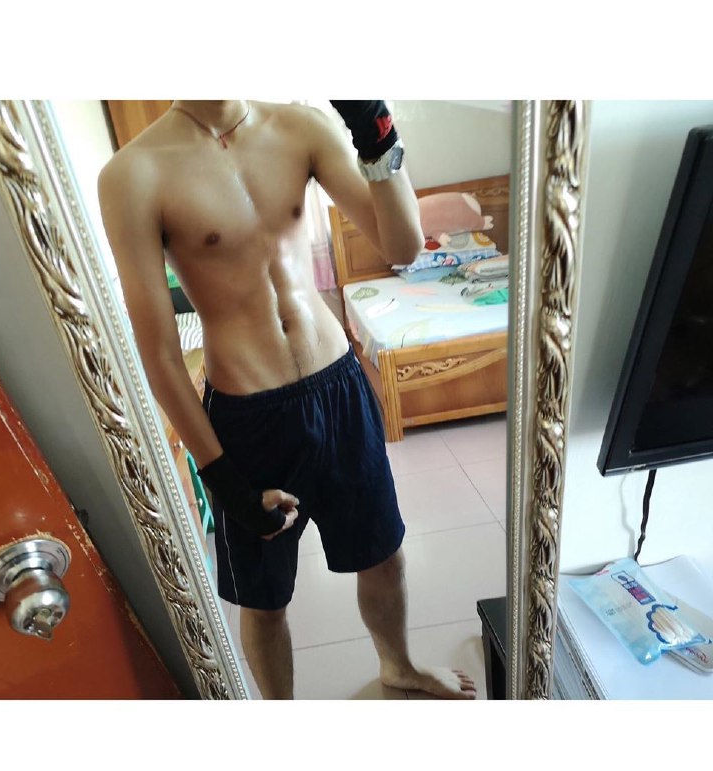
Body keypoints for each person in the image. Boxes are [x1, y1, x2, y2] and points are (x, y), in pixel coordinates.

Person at [98, 99, 477, 700]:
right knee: (265, 598)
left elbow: (402, 246)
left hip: (338, 387)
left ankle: (399, 664)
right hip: (248, 418)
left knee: (385, 556)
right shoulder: (133, 174)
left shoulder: (301, 126)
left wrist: (377, 132)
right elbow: (161, 354)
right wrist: (222, 477)